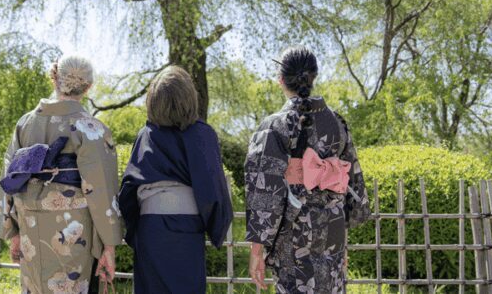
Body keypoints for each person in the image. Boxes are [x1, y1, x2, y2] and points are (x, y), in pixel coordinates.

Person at [244, 46, 371, 293]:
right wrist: (344, 238)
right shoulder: (336, 122)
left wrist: (257, 249)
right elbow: (350, 179)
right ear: (313, 77)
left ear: (281, 79)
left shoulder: (274, 126)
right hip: (332, 228)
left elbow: (264, 190)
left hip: (295, 229)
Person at [0, 55, 122, 294]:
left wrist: (13, 232)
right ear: (88, 87)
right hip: (72, 230)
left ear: (54, 78)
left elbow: (10, 179)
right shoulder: (90, 129)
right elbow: (101, 191)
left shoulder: (25, 124)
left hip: (30, 224)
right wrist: (109, 246)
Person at [118, 66, 234, 294]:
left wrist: (134, 228)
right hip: (187, 228)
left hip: (151, 227)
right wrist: (215, 224)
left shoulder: (146, 135)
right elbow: (213, 189)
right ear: (189, 97)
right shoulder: (202, 134)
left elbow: (129, 188)